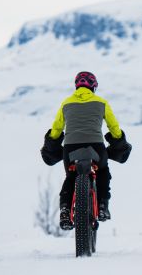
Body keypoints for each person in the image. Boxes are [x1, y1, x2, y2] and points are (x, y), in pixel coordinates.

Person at [48, 71, 124, 230]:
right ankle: (102, 206)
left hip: (70, 148)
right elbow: (114, 127)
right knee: (102, 171)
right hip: (96, 146)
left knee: (70, 177)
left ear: (76, 86)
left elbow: (56, 129)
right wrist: (118, 138)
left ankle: (65, 211)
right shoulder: (101, 102)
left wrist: (52, 141)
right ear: (93, 87)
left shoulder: (66, 103)